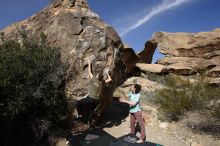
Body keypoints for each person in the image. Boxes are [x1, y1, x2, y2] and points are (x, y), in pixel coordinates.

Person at [76, 59, 112, 126]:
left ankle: (80, 115)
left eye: (97, 74)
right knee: (91, 111)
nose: (96, 74)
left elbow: (89, 72)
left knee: (78, 103)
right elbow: (110, 79)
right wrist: (107, 73)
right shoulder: (102, 82)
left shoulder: (94, 79)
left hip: (91, 99)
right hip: (97, 100)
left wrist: (89, 63)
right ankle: (90, 123)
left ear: (98, 76)